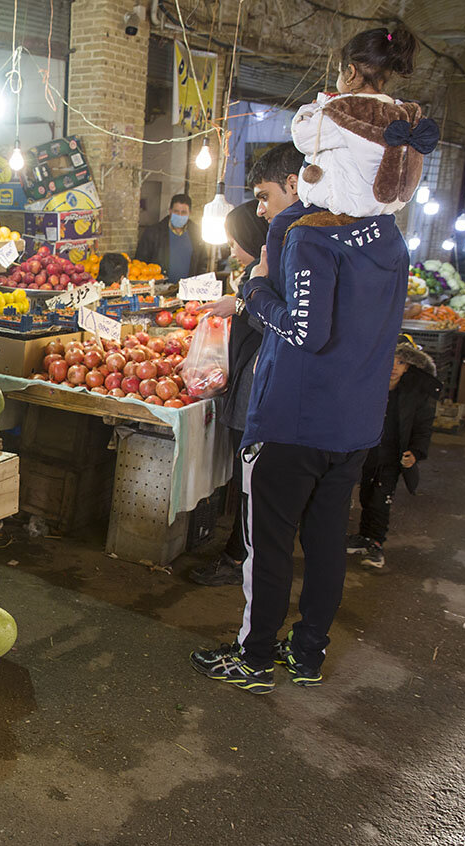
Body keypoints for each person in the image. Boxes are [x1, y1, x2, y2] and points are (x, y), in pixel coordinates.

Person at [189, 136, 411, 693]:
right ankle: (308, 653)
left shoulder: (307, 236)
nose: (263, 210)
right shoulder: (388, 238)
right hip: (354, 422)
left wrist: (254, 290)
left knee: (268, 546)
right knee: (326, 540)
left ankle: (255, 656)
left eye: (265, 195)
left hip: (294, 419)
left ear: (311, 177)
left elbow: (304, 332)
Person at [189, 201, 269, 587]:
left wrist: (237, 306)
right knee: (244, 480)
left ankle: (238, 557)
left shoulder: (270, 272)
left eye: (237, 242)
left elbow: (272, 320)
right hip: (245, 383)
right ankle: (240, 553)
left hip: (255, 389)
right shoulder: (259, 269)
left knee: (248, 481)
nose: (233, 250)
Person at [291, 27, 437, 219]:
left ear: (350, 73)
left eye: (338, 72)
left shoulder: (344, 110)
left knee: (282, 228)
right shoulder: (403, 114)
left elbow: (303, 137)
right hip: (380, 217)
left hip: (341, 215)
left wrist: (313, 108)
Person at [346, 338, 441, 570]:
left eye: (401, 362)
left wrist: (416, 452)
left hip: (391, 458)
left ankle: (376, 542)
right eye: (390, 360)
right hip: (367, 452)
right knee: (366, 495)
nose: (394, 367)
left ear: (409, 366)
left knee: (381, 499)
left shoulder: (413, 394)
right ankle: (364, 536)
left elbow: (423, 425)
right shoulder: (369, 385)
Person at [135, 193, 208, 282]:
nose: (180, 215)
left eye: (184, 212)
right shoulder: (153, 233)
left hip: (187, 290)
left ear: (190, 213)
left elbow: (203, 262)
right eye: (176, 211)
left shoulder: (197, 233)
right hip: (160, 289)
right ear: (170, 211)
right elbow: (140, 264)